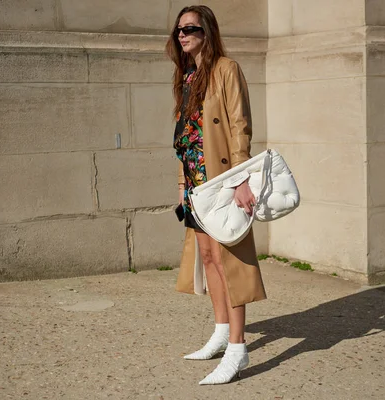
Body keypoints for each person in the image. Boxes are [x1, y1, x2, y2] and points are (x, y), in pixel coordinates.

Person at [166, 5, 267, 385]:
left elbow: (240, 126)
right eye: (178, 30)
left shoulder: (226, 69)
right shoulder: (186, 76)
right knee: (207, 258)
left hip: (222, 179)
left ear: (207, 32)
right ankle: (222, 332)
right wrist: (181, 184)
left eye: (190, 28)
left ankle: (238, 350)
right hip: (196, 183)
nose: (182, 35)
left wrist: (241, 179)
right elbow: (184, 137)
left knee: (229, 262)